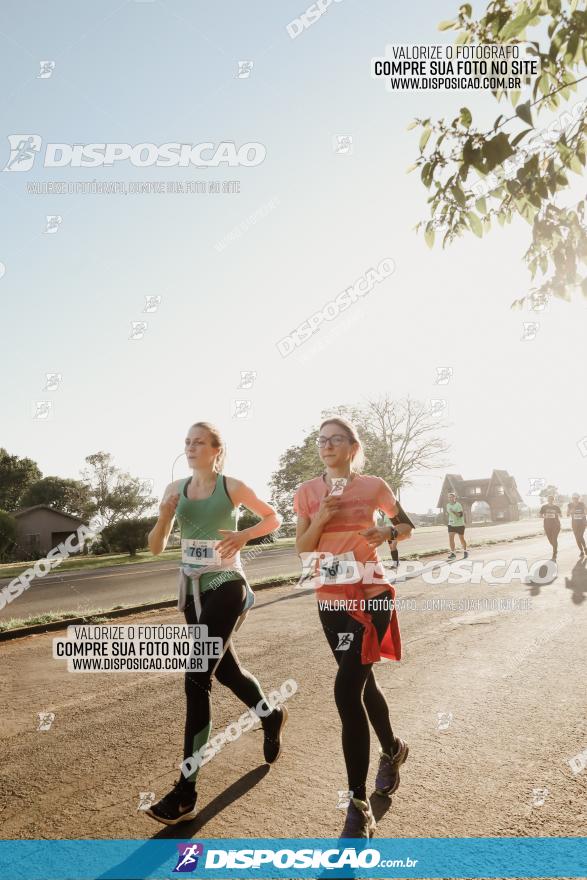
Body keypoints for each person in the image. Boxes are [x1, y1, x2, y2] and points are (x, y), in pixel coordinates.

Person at [144, 421, 287, 825]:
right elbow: (155, 547)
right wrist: (162, 517)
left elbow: (273, 517)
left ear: (215, 450)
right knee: (227, 672)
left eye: (199, 442)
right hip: (194, 591)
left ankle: (185, 791)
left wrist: (245, 536)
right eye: (187, 442)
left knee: (196, 677)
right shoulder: (174, 491)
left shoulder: (232, 487)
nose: (190, 447)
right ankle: (270, 715)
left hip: (228, 583)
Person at [294, 417, 413, 839]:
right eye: (321, 439)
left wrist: (387, 530)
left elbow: (406, 526)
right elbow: (303, 548)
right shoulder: (307, 493)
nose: (327, 445)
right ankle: (393, 749)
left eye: (335, 439)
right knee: (363, 683)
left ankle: (357, 804)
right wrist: (320, 518)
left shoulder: (373, 485)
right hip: (330, 602)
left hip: (371, 595)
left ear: (351, 445)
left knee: (346, 689)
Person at [539, 495, 562, 561]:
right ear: (547, 500)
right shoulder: (544, 507)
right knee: (550, 540)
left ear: (553, 500)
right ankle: (555, 548)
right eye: (549, 499)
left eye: (551, 499)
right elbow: (540, 515)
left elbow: (561, 515)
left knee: (554, 538)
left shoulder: (556, 507)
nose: (550, 500)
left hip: (556, 525)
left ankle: (554, 553)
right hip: (547, 525)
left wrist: (556, 513)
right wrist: (545, 516)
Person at [446, 492, 468, 559]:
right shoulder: (448, 505)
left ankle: (465, 551)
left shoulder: (458, 505)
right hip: (451, 524)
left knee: (461, 539)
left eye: (451, 497)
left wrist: (453, 511)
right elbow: (449, 514)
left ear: (454, 498)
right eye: (449, 497)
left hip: (459, 525)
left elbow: (460, 515)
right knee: (451, 539)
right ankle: (453, 554)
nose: (450, 498)